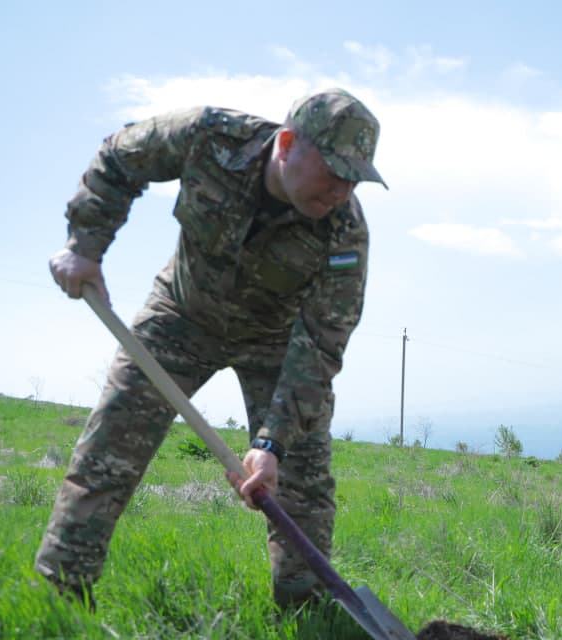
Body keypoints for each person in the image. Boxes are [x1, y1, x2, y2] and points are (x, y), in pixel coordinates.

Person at [36, 88, 386, 611]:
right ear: (287, 144)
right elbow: (118, 156)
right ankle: (60, 597)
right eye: (333, 170)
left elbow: (320, 347)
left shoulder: (345, 232)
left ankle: (306, 610)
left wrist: (271, 446)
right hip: (181, 314)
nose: (342, 188)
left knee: (301, 480)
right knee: (109, 446)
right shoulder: (210, 137)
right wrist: (86, 246)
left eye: (355, 176)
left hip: (277, 342)